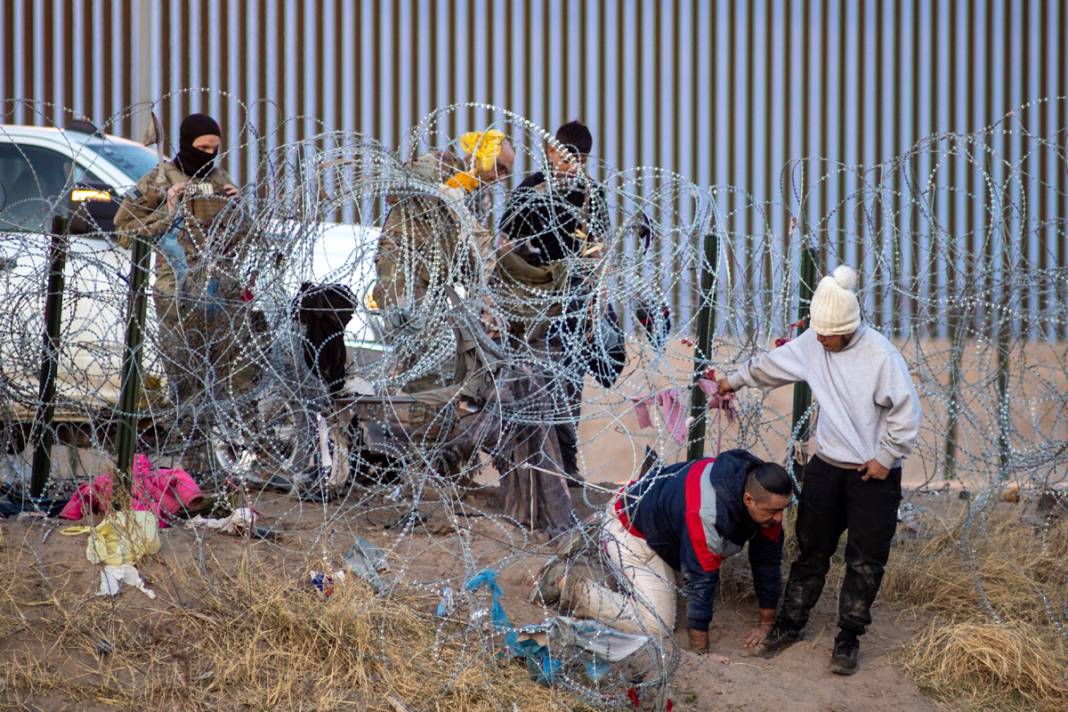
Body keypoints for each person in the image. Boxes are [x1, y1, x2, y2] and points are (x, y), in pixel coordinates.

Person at [717, 265, 921, 675]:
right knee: (811, 552)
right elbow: (771, 366)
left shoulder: (880, 356)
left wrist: (886, 456)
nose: (822, 340)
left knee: (865, 561)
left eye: (830, 335)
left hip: (872, 475)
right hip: (826, 467)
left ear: (848, 327)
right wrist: (733, 382)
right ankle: (789, 625)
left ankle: (848, 638)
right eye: (819, 333)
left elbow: (906, 411)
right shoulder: (814, 343)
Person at [531, 449, 792, 659]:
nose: (779, 518)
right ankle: (573, 588)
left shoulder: (761, 497)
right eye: (773, 512)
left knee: (674, 585)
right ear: (748, 499)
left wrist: (766, 624)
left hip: (662, 524)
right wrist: (700, 653)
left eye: (784, 509)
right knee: (659, 625)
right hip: (632, 530)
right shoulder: (705, 514)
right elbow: (700, 581)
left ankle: (599, 552)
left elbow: (767, 562)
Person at [114, 112, 251, 474]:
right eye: (201, 148)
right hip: (176, 294)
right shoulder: (159, 180)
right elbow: (124, 231)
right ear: (185, 144)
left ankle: (219, 460)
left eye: (214, 148)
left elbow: (242, 238)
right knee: (186, 378)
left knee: (224, 377)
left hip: (220, 291)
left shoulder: (220, 180)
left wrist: (239, 211)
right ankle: (189, 461)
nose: (208, 155)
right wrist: (168, 212)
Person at [497, 120, 619, 486]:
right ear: (550, 152)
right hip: (531, 301)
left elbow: (598, 251)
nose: (568, 165)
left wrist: (596, 303)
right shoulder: (532, 189)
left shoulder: (590, 195)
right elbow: (504, 241)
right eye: (561, 157)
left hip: (572, 304)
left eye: (576, 160)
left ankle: (565, 466)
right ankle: (525, 467)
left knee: (568, 386)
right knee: (529, 383)